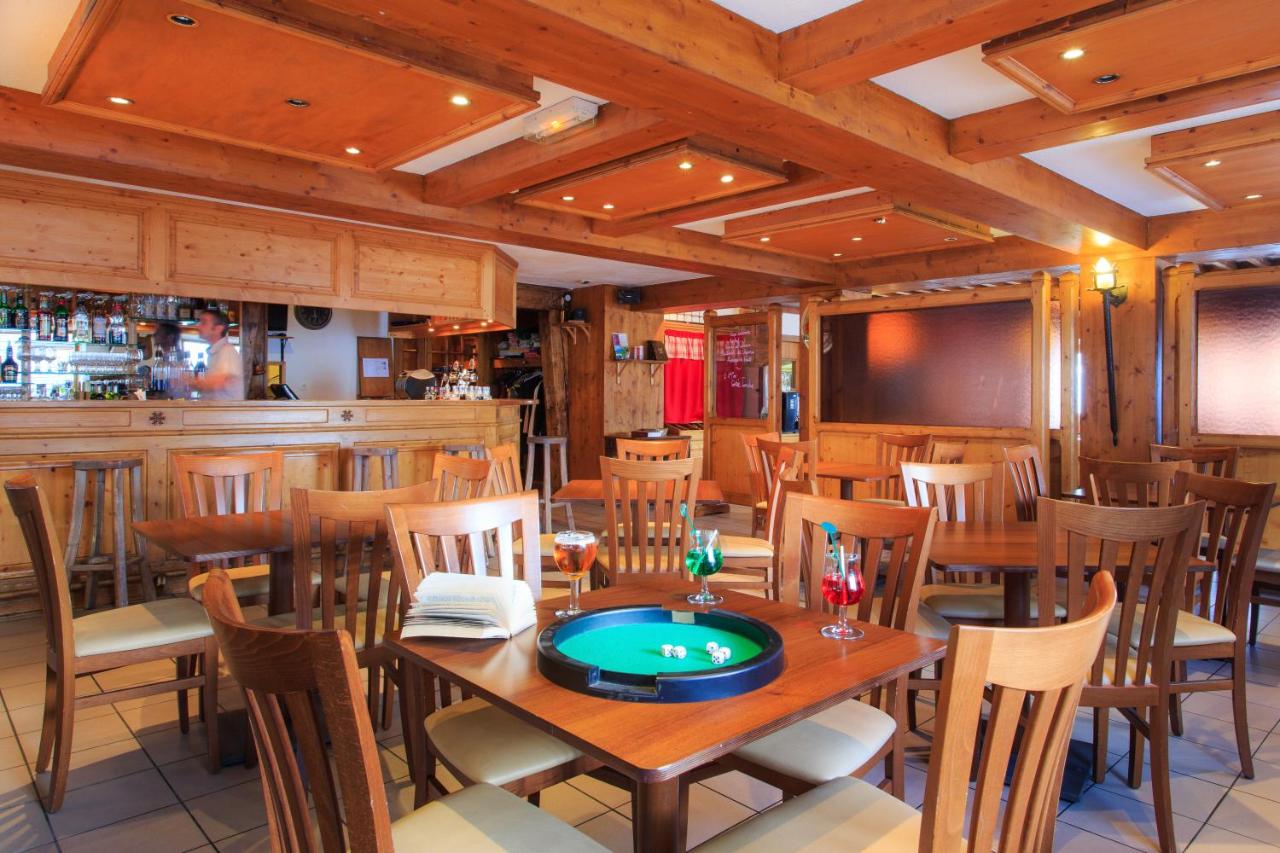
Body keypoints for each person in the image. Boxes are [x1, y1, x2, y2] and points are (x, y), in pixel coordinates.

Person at [186, 308, 244, 401]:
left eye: (204, 323)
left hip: (224, 410)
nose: (198, 326)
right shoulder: (214, 352)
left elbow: (219, 382)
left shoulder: (227, 350)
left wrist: (187, 382)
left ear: (218, 329)